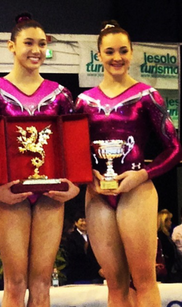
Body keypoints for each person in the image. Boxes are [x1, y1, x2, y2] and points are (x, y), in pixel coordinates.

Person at [0, 12, 80, 307]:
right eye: (28, 43)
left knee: (42, 283)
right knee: (15, 282)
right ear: (11, 46)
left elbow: (71, 144)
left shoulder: (60, 95)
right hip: (11, 194)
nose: (36, 50)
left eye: (42, 44)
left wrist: (75, 185)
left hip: (50, 195)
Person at [75, 20, 182, 307]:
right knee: (114, 284)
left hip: (136, 190)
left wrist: (143, 174)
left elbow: (174, 148)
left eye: (123, 50)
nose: (117, 57)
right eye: (109, 52)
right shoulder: (83, 102)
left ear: (132, 52)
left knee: (144, 279)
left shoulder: (147, 96)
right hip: (98, 194)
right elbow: (73, 151)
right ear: (99, 55)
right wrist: (89, 175)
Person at [63, 211, 103, 284]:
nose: (84, 223)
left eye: (86, 220)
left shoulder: (93, 236)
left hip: (94, 274)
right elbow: (73, 255)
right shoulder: (71, 237)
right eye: (82, 220)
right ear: (76, 223)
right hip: (77, 274)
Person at [158, 209, 182, 282]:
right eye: (169, 220)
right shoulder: (162, 236)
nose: (171, 222)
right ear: (164, 222)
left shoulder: (166, 236)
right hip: (169, 270)